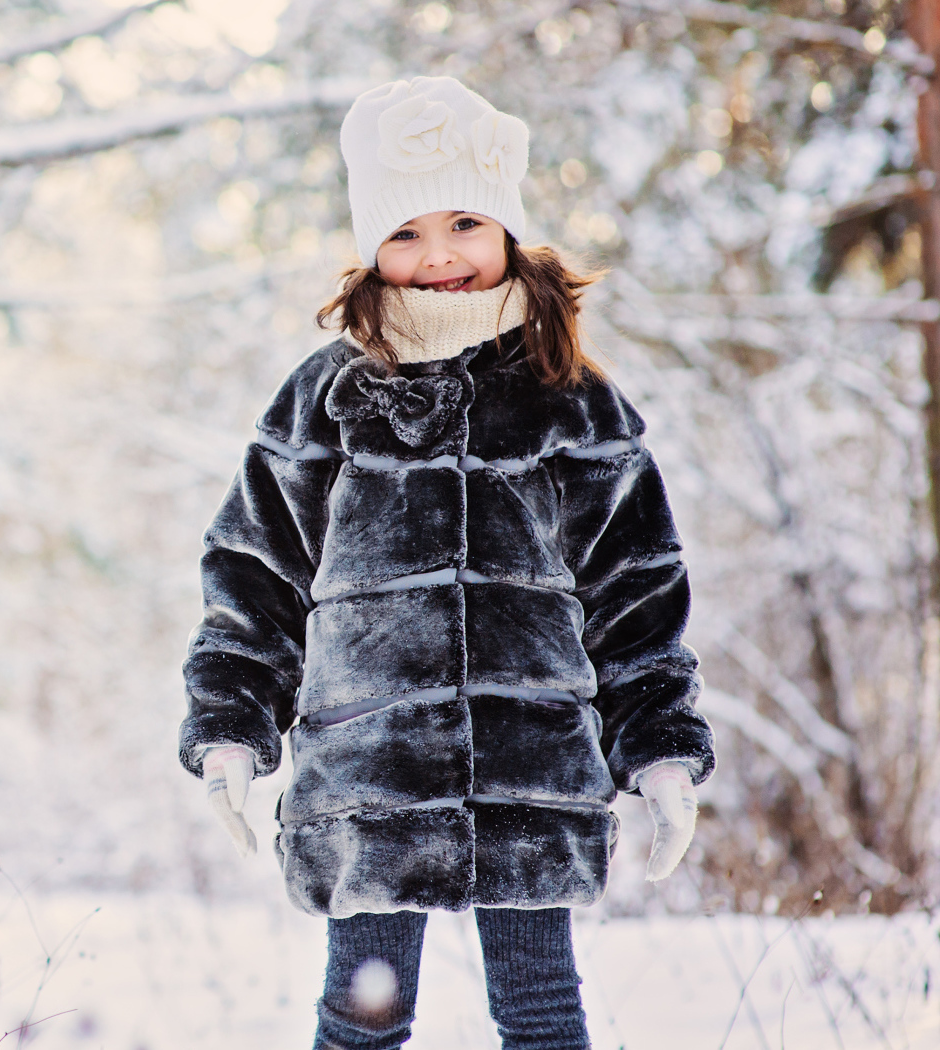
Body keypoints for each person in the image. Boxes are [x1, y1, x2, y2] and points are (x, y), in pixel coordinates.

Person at [176, 77, 715, 1050]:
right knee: (363, 1016)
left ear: (508, 225)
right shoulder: (328, 395)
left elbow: (635, 589)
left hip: (530, 766)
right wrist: (230, 726)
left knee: (543, 1016)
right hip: (372, 771)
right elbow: (254, 575)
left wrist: (661, 746)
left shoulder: (569, 398)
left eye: (464, 221)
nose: (438, 257)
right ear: (371, 247)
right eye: (406, 231)